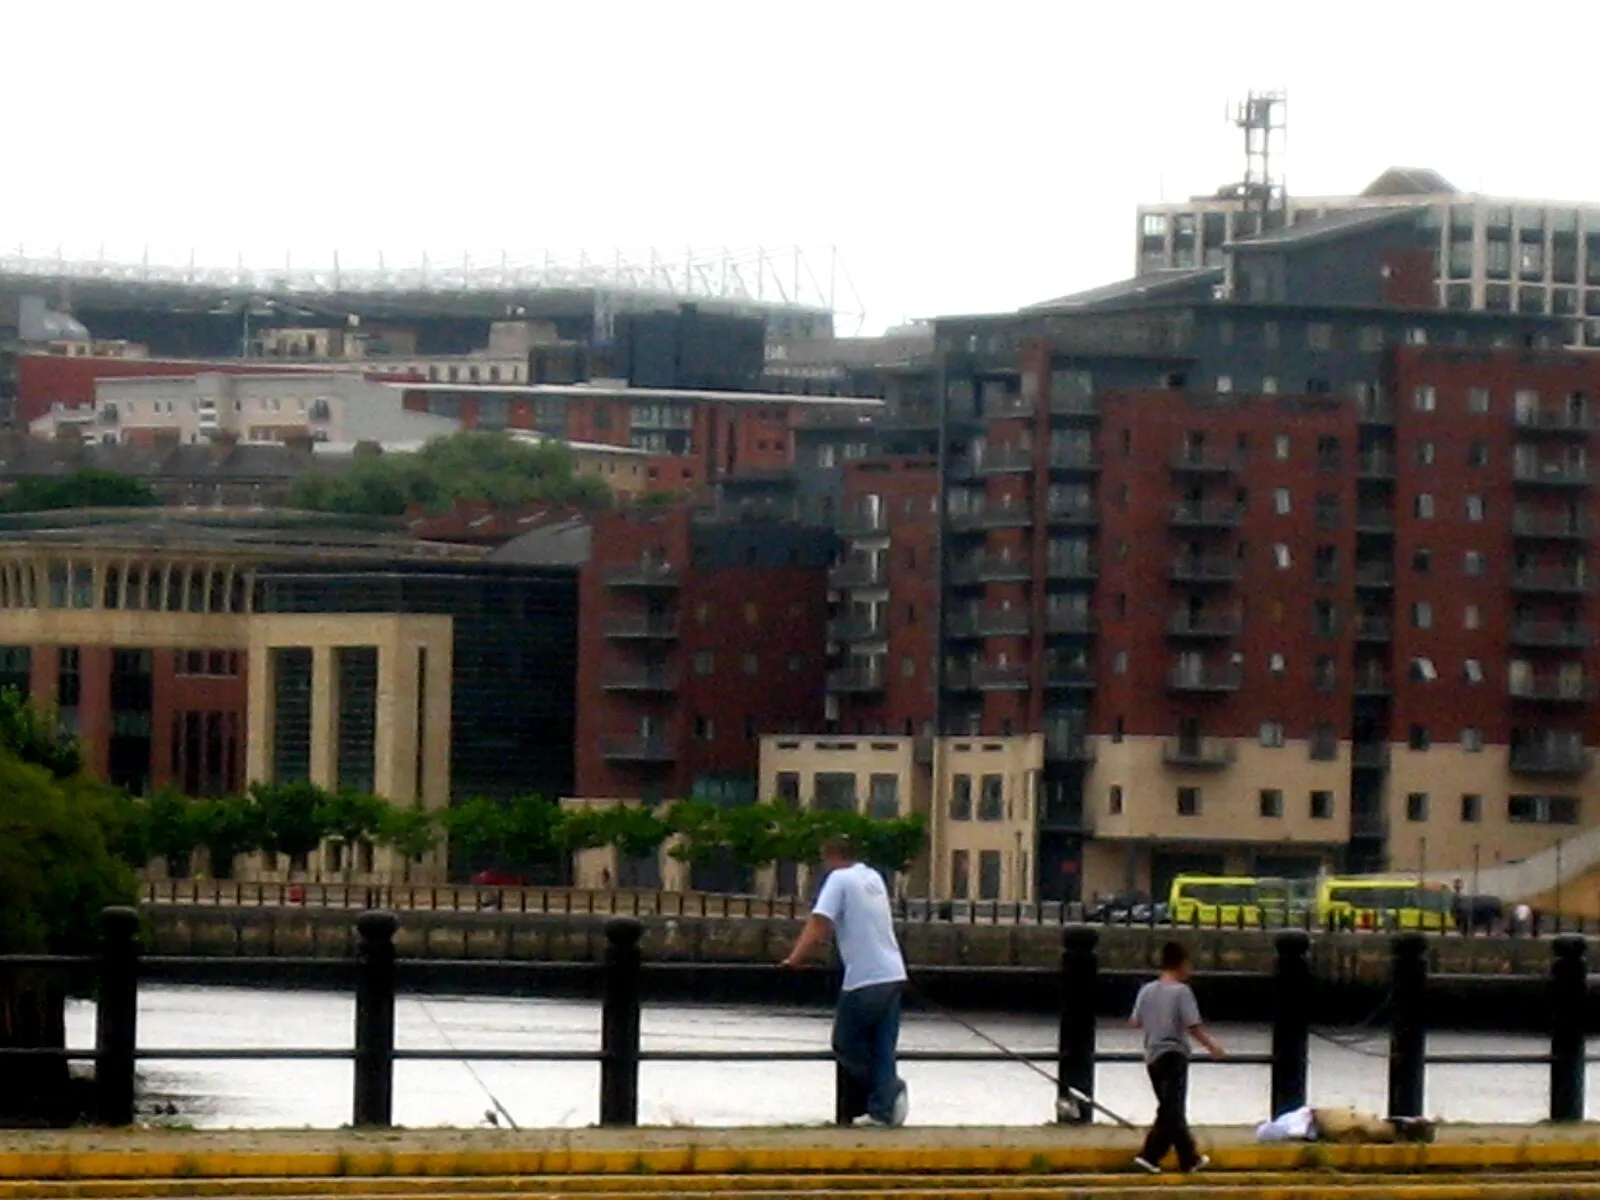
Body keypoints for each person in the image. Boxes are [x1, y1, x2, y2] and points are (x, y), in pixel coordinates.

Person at [780, 835, 909, 1127]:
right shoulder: (873, 877)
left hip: (864, 977)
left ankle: (887, 1093)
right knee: (882, 1045)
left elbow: (819, 922)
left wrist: (795, 958)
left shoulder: (839, 879)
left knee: (845, 1043)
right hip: (893, 972)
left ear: (831, 857)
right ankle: (884, 1109)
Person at [1129, 940, 1224, 1174]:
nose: (1190, 970)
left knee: (1171, 1108)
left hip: (1152, 1055)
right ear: (1181, 964)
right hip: (1174, 1053)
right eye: (1188, 965)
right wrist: (1212, 1046)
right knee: (1171, 1109)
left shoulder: (1146, 990)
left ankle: (1189, 1158)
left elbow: (1135, 1022)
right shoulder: (1182, 992)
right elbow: (1193, 1025)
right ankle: (1149, 1156)